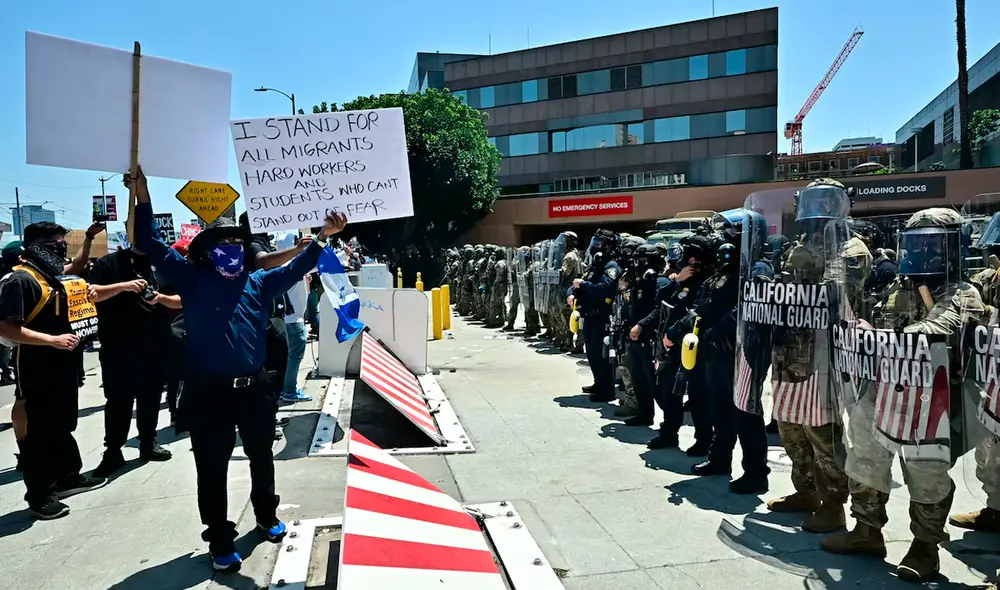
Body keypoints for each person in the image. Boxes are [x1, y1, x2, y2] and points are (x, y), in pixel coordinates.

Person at [128, 166, 347, 572]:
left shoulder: (258, 282)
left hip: (254, 389)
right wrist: (142, 195)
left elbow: (297, 268)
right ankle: (220, 538)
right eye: (223, 242)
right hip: (208, 391)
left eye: (236, 242)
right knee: (212, 467)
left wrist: (322, 237)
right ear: (207, 250)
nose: (231, 247)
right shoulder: (190, 279)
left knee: (261, 456)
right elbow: (149, 241)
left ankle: (266, 515)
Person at [822, 207, 982, 582]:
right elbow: (872, 316)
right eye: (916, 243)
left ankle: (925, 547)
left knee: (926, 471)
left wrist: (884, 340)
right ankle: (866, 530)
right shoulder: (899, 288)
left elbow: (939, 327)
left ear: (952, 248)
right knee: (865, 455)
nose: (922, 252)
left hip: (934, 399)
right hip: (884, 386)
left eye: (931, 244)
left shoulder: (962, 292)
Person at [0, 222, 113, 519]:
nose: (62, 249)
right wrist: (52, 340)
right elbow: (7, 328)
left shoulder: (52, 275)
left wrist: (87, 239)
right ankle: (40, 495)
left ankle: (67, 477)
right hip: (36, 365)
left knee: (62, 423)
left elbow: (77, 267)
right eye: (57, 244)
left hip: (64, 362)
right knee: (38, 430)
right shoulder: (21, 280)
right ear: (37, 247)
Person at [89, 238, 183, 477]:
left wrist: (160, 298)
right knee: (118, 401)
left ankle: (148, 443)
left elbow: (184, 298)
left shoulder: (164, 264)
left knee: (150, 397)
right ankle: (113, 451)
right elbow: (92, 294)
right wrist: (123, 286)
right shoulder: (108, 263)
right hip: (117, 346)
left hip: (155, 344)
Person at [570, 229, 620, 402]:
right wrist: (572, 293)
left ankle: (607, 391)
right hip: (589, 316)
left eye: (598, 243)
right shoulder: (596, 265)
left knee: (602, 355)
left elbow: (605, 289)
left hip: (602, 317)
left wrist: (583, 286)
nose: (594, 246)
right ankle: (598, 383)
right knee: (592, 354)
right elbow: (581, 281)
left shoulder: (611, 266)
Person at [625, 243, 669, 426]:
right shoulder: (640, 283)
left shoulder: (661, 283)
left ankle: (670, 423)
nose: (638, 265)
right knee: (639, 380)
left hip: (652, 340)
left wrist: (642, 325)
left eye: (641, 261)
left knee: (656, 385)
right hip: (637, 340)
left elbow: (659, 310)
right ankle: (645, 414)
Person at [276, 232, 311, 400]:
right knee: (295, 356)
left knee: (287, 356)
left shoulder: (278, 267)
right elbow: (319, 262)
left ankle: (284, 388)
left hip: (284, 319)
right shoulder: (295, 265)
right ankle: (289, 390)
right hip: (294, 319)